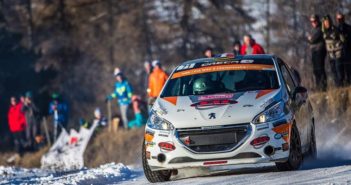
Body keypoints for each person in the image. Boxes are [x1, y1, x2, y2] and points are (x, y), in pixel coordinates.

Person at [322, 15, 345, 87]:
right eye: (325, 22)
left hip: (338, 53)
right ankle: (337, 86)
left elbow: (343, 39)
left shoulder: (335, 29)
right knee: (333, 71)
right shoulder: (324, 31)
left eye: (328, 22)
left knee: (339, 70)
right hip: (330, 54)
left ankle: (342, 85)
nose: (327, 23)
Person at [308, 14, 327, 91]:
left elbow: (312, 39)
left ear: (317, 20)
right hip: (314, 51)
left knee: (320, 69)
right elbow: (310, 39)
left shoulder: (320, 29)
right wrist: (310, 39)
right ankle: (318, 87)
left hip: (320, 51)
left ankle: (323, 87)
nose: (313, 23)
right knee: (315, 70)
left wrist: (310, 38)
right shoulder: (313, 30)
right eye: (312, 21)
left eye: (315, 21)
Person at [336, 12, 351, 84]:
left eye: (341, 18)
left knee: (348, 68)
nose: (340, 20)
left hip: (348, 50)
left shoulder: (348, 28)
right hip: (339, 52)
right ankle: (341, 84)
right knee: (340, 70)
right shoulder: (336, 29)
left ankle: (349, 82)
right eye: (339, 19)